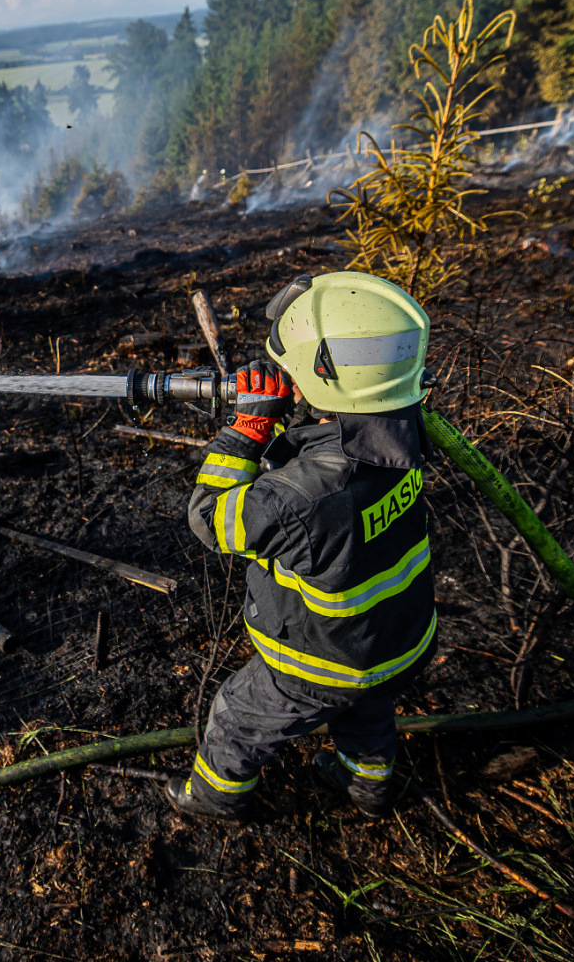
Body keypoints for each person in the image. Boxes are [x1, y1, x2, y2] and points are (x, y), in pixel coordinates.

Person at [165, 271, 438, 822]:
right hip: (398, 639)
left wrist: (247, 429)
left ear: (321, 379)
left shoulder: (300, 497)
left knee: (239, 717)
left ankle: (214, 798)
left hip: (323, 661)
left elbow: (210, 520)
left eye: (289, 370)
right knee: (368, 715)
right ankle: (369, 788)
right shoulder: (404, 425)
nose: (283, 377)